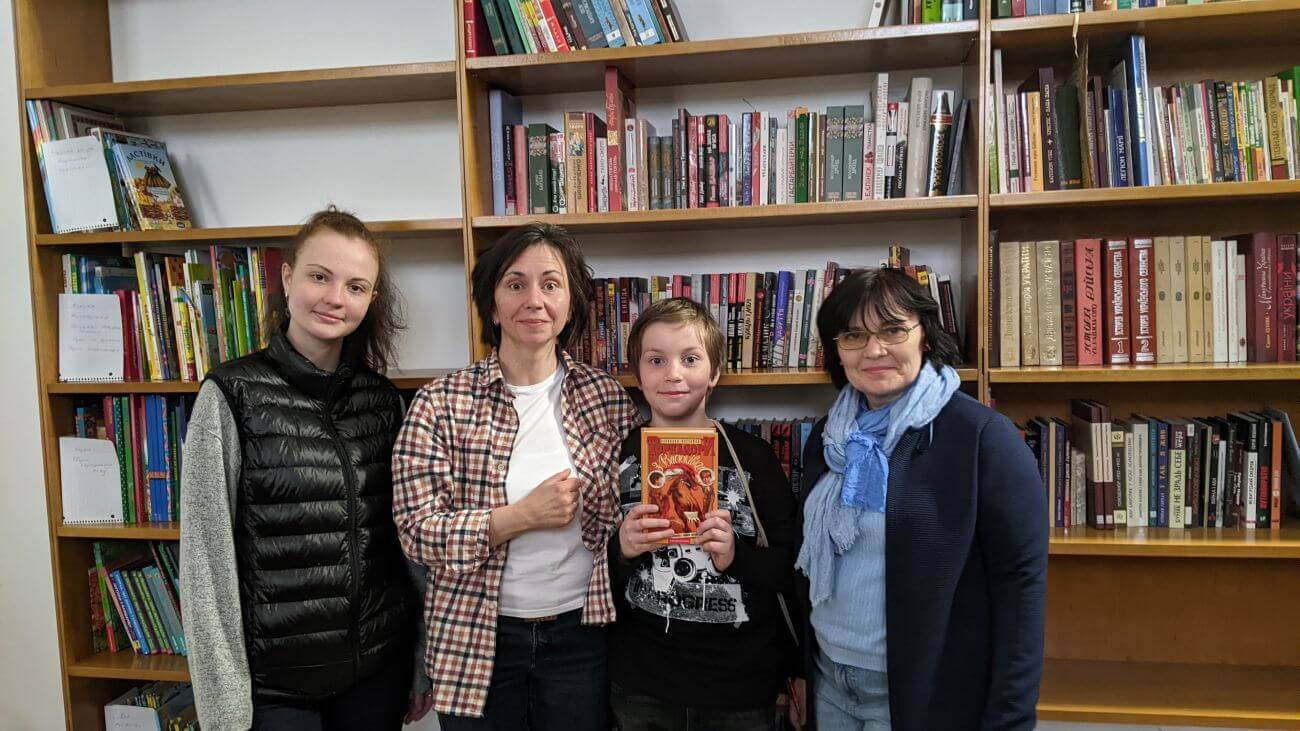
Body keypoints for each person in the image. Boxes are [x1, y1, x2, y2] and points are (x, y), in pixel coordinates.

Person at [179, 207, 433, 730]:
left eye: (356, 286)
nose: (336, 298)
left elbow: (407, 547)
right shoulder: (230, 395)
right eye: (320, 276)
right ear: (288, 276)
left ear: (371, 300)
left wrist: (419, 662)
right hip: (274, 691)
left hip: (375, 677)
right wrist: (224, 711)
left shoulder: (384, 402)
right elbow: (205, 565)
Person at [391, 223, 639, 730]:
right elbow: (416, 533)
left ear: (571, 303)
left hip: (581, 635)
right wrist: (517, 518)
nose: (534, 300)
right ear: (492, 300)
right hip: (477, 637)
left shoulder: (607, 398)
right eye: (515, 283)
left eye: (551, 284)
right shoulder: (440, 402)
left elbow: (628, 511)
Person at [794, 268, 1047, 730]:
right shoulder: (828, 439)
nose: (874, 350)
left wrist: (1011, 719)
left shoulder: (981, 439)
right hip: (830, 681)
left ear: (924, 335)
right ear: (836, 349)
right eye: (853, 334)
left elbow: (1021, 588)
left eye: (892, 329)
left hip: (924, 695)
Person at [611, 297, 801, 731]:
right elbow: (588, 570)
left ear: (714, 373)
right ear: (638, 374)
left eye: (690, 359)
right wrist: (621, 549)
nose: (673, 374)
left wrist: (737, 556)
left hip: (738, 687)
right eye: (656, 360)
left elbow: (792, 566)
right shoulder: (620, 455)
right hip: (643, 684)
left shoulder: (753, 457)